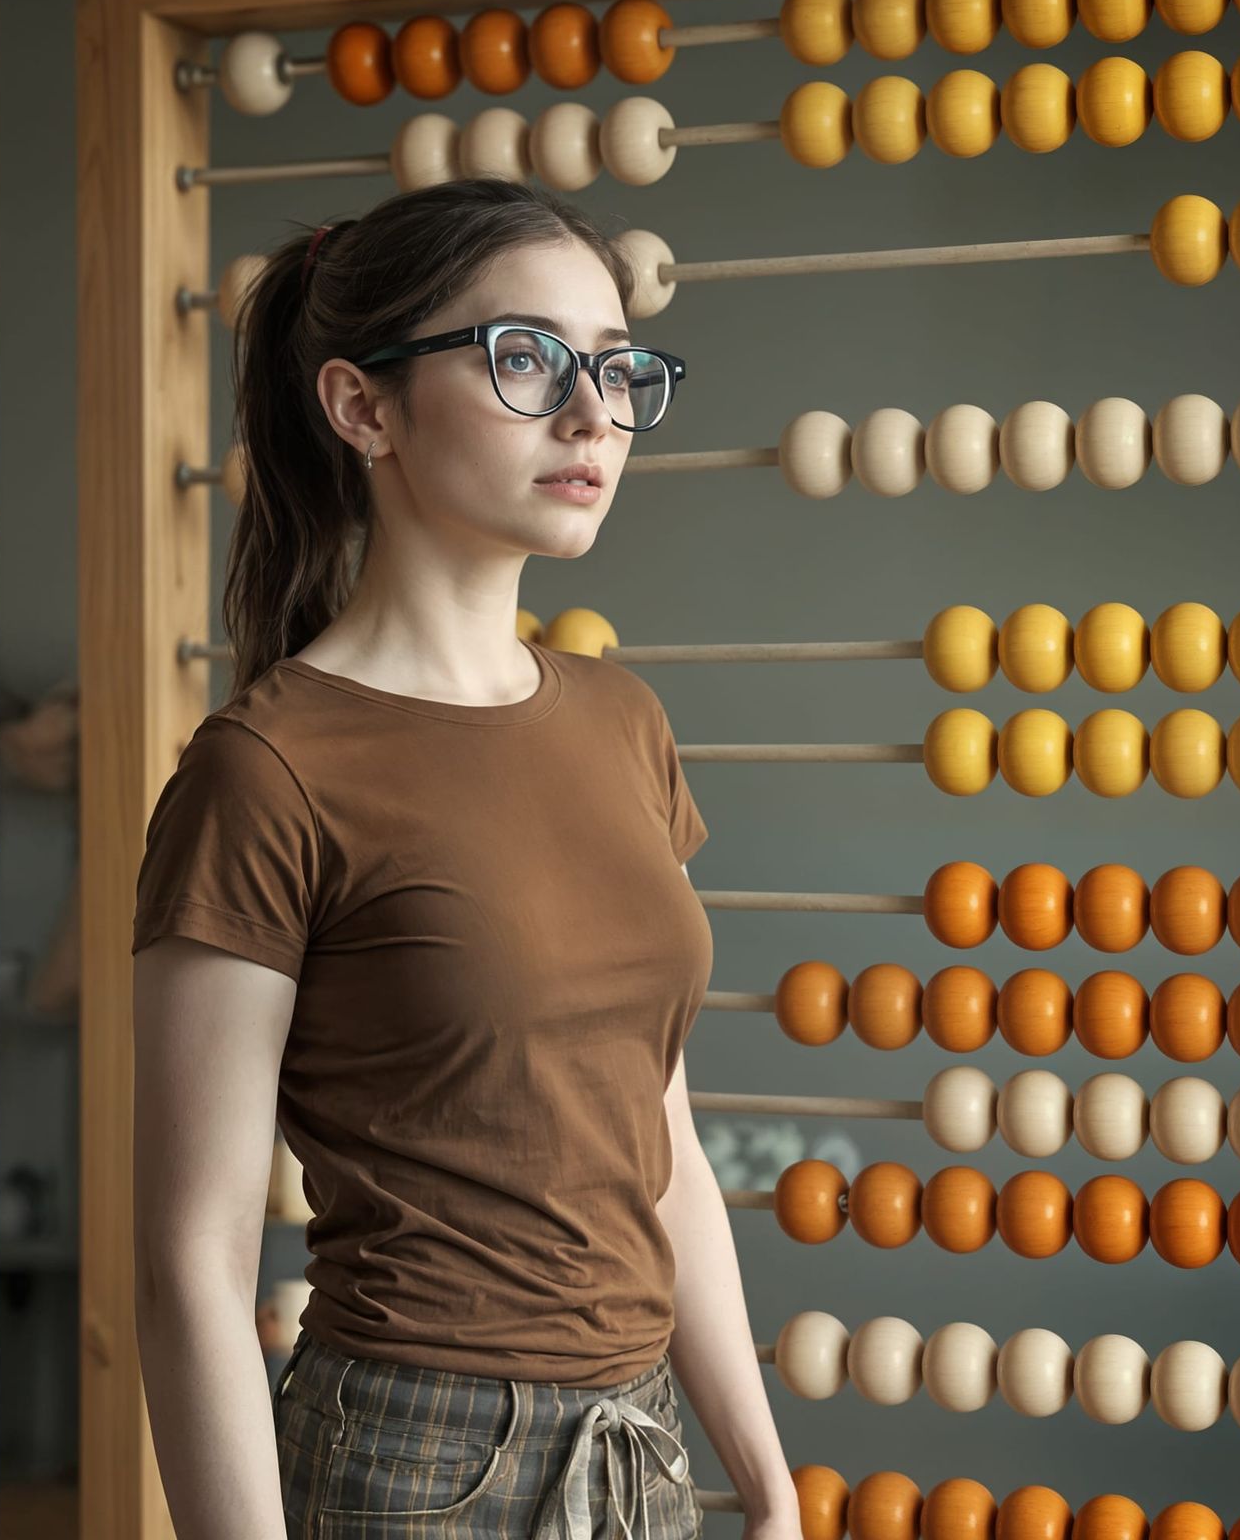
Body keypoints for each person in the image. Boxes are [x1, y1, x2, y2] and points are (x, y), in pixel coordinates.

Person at [131, 177, 801, 1540]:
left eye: (614, 370)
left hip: (641, 1455)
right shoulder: (266, 769)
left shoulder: (626, 722)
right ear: (361, 407)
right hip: (411, 1466)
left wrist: (767, 1478)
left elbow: (658, 1141)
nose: (588, 414)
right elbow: (190, 1266)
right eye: (524, 359)